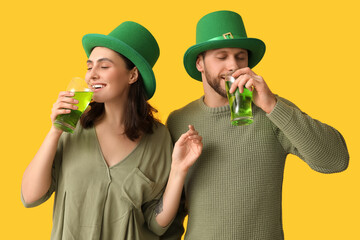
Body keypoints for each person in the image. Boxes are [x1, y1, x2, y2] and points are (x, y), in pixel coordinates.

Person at [162, 10, 350, 240]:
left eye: (240, 57)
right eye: (222, 57)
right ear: (200, 63)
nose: (233, 65)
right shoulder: (179, 120)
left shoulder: (274, 111)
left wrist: (271, 105)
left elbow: (336, 160)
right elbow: (172, 209)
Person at [21, 21, 202, 240]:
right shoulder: (73, 126)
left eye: (104, 67)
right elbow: (30, 197)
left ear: (132, 75)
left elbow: (157, 224)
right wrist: (55, 130)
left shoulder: (159, 138)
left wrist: (179, 170)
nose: (92, 75)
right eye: (89, 67)